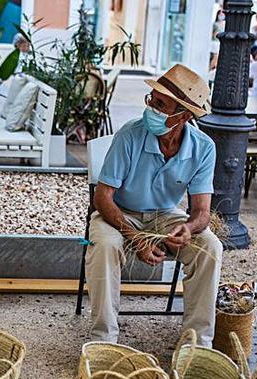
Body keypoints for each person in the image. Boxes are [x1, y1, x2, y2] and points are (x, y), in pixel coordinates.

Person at [85, 64, 222, 347]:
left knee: (210, 246)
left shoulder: (204, 147)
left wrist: (189, 227)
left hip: (165, 215)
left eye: (160, 104)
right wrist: (136, 239)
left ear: (183, 115)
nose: (151, 107)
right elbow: (102, 197)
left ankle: (197, 344)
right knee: (106, 245)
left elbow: (202, 212)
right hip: (119, 213)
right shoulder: (130, 135)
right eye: (152, 100)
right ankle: (104, 340)